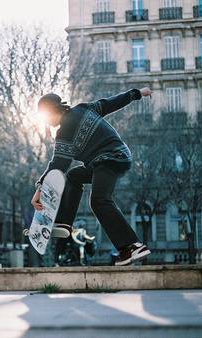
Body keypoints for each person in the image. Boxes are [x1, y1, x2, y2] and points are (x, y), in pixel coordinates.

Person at [31, 88, 153, 266]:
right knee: (74, 176)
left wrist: (39, 189)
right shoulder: (84, 108)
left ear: (50, 113)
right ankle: (65, 223)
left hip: (109, 158)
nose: (48, 124)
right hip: (115, 157)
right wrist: (137, 93)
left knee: (99, 201)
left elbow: (58, 165)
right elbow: (110, 103)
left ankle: (132, 245)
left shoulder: (64, 132)